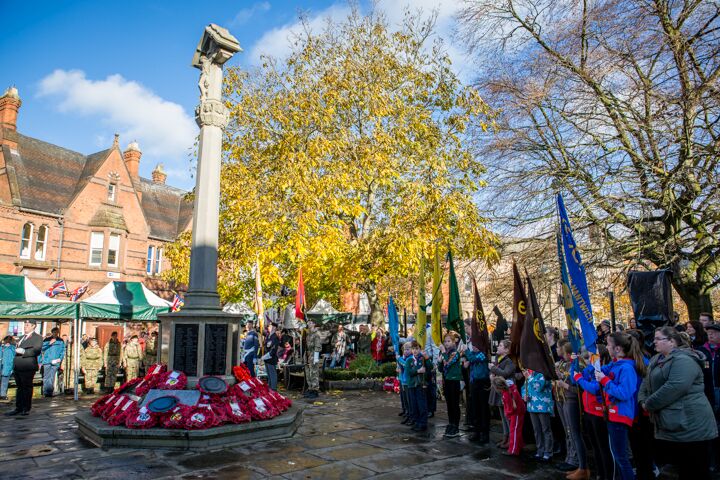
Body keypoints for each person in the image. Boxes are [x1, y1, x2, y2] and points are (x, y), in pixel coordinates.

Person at [639, 326, 718, 479]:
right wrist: (642, 399)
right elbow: (645, 382)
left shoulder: (684, 360)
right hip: (671, 424)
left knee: (694, 469)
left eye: (658, 338)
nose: (654, 341)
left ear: (672, 342)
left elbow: (674, 387)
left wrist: (648, 404)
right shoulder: (657, 359)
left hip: (690, 425)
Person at [576, 333, 644, 480]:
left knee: (620, 457)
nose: (606, 347)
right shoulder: (615, 364)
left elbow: (624, 393)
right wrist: (589, 360)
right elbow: (594, 370)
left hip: (620, 415)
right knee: (617, 455)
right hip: (612, 414)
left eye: (608, 344)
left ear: (618, 348)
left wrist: (605, 380)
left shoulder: (626, 368)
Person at [555, 341, 589, 479]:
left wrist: (565, 385)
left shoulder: (578, 365)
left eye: (560, 349)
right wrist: (560, 376)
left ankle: (577, 462)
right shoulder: (564, 363)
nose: (558, 350)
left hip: (572, 401)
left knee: (574, 432)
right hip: (563, 399)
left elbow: (580, 389)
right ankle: (571, 459)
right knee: (568, 432)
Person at [5, 320, 42, 416]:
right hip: (18, 366)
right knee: (20, 388)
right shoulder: (21, 337)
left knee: (26, 388)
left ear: (33, 326)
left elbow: (37, 350)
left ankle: (26, 408)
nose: (25, 326)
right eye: (25, 325)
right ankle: (18, 407)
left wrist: (24, 352)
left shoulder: (37, 338)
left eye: (27, 325)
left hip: (27, 366)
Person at [489, 339, 521, 448]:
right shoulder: (499, 359)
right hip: (499, 392)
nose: (498, 347)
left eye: (500, 346)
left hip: (506, 393)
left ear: (507, 350)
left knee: (508, 418)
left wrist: (493, 369)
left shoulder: (508, 362)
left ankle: (511, 440)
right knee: (503, 417)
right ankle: (505, 437)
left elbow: (506, 373)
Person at [522, 368, 554, 462]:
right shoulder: (530, 373)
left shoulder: (544, 373)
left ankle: (548, 453)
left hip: (543, 406)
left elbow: (539, 386)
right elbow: (524, 387)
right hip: (531, 405)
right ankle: (540, 451)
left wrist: (529, 378)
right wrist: (524, 395)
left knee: (546, 429)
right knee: (537, 430)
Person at [463, 342, 491, 443]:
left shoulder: (482, 353)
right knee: (475, 407)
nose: (473, 347)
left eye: (476, 344)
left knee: (483, 408)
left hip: (482, 383)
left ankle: (485, 433)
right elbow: (469, 361)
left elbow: (472, 359)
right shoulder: (473, 353)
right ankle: (476, 431)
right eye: (473, 345)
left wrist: (466, 351)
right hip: (474, 382)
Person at [493, 376, 525, 456]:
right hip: (518, 411)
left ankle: (513, 450)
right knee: (516, 430)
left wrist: (507, 414)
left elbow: (511, 409)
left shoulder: (506, 394)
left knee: (514, 431)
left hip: (516, 413)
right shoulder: (510, 388)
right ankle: (519, 446)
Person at [439, 331, 463, 438]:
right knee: (449, 403)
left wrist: (443, 353)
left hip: (454, 380)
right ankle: (450, 423)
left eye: (449, 341)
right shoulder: (445, 353)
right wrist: (439, 361)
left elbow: (448, 364)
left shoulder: (455, 353)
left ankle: (456, 426)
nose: (446, 343)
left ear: (453, 342)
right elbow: (441, 369)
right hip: (447, 380)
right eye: (445, 341)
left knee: (454, 403)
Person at [407, 341, 428, 432]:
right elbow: (409, 372)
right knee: (414, 404)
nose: (415, 351)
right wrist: (418, 371)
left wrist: (427, 359)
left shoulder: (422, 359)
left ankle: (423, 423)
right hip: (412, 385)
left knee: (421, 404)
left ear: (420, 349)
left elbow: (430, 367)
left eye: (417, 349)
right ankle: (416, 422)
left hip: (420, 385)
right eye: (413, 349)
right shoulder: (409, 360)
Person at [39, 327, 65, 397]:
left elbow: (63, 351)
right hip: (47, 361)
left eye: (57, 332)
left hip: (55, 361)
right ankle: (45, 391)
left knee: (52, 377)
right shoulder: (47, 340)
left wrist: (60, 358)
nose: (56, 333)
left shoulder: (61, 340)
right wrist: (49, 343)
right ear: (52, 332)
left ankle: (49, 392)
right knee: (46, 377)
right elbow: (42, 348)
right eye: (54, 332)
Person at [304, 319, 322, 399]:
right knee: (308, 373)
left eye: (310, 323)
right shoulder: (308, 334)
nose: (308, 324)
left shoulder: (316, 334)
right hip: (308, 355)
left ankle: (315, 390)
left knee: (314, 372)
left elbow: (317, 347)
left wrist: (315, 358)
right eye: (308, 323)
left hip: (314, 355)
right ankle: (310, 388)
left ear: (314, 324)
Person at [398, 342, 413, 424]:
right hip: (403, 381)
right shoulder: (404, 357)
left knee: (409, 400)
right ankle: (407, 413)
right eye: (404, 350)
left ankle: (411, 415)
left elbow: (405, 365)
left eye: (408, 349)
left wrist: (399, 359)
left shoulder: (410, 358)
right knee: (405, 399)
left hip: (408, 382)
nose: (405, 351)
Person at [263, 322, 280, 390]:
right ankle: (270, 387)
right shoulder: (268, 336)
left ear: (274, 328)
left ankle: (273, 388)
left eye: (270, 326)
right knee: (269, 374)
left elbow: (273, 349)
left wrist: (267, 356)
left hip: (271, 358)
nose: (269, 327)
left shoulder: (275, 337)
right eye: (269, 326)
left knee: (272, 374)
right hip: (267, 358)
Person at [0, 336, 16, 400]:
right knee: (5, 381)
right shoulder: (13, 348)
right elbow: (14, 359)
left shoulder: (2, 348)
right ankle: (3, 395)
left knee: (4, 381)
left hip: (5, 366)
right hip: (8, 367)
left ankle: (2, 395)